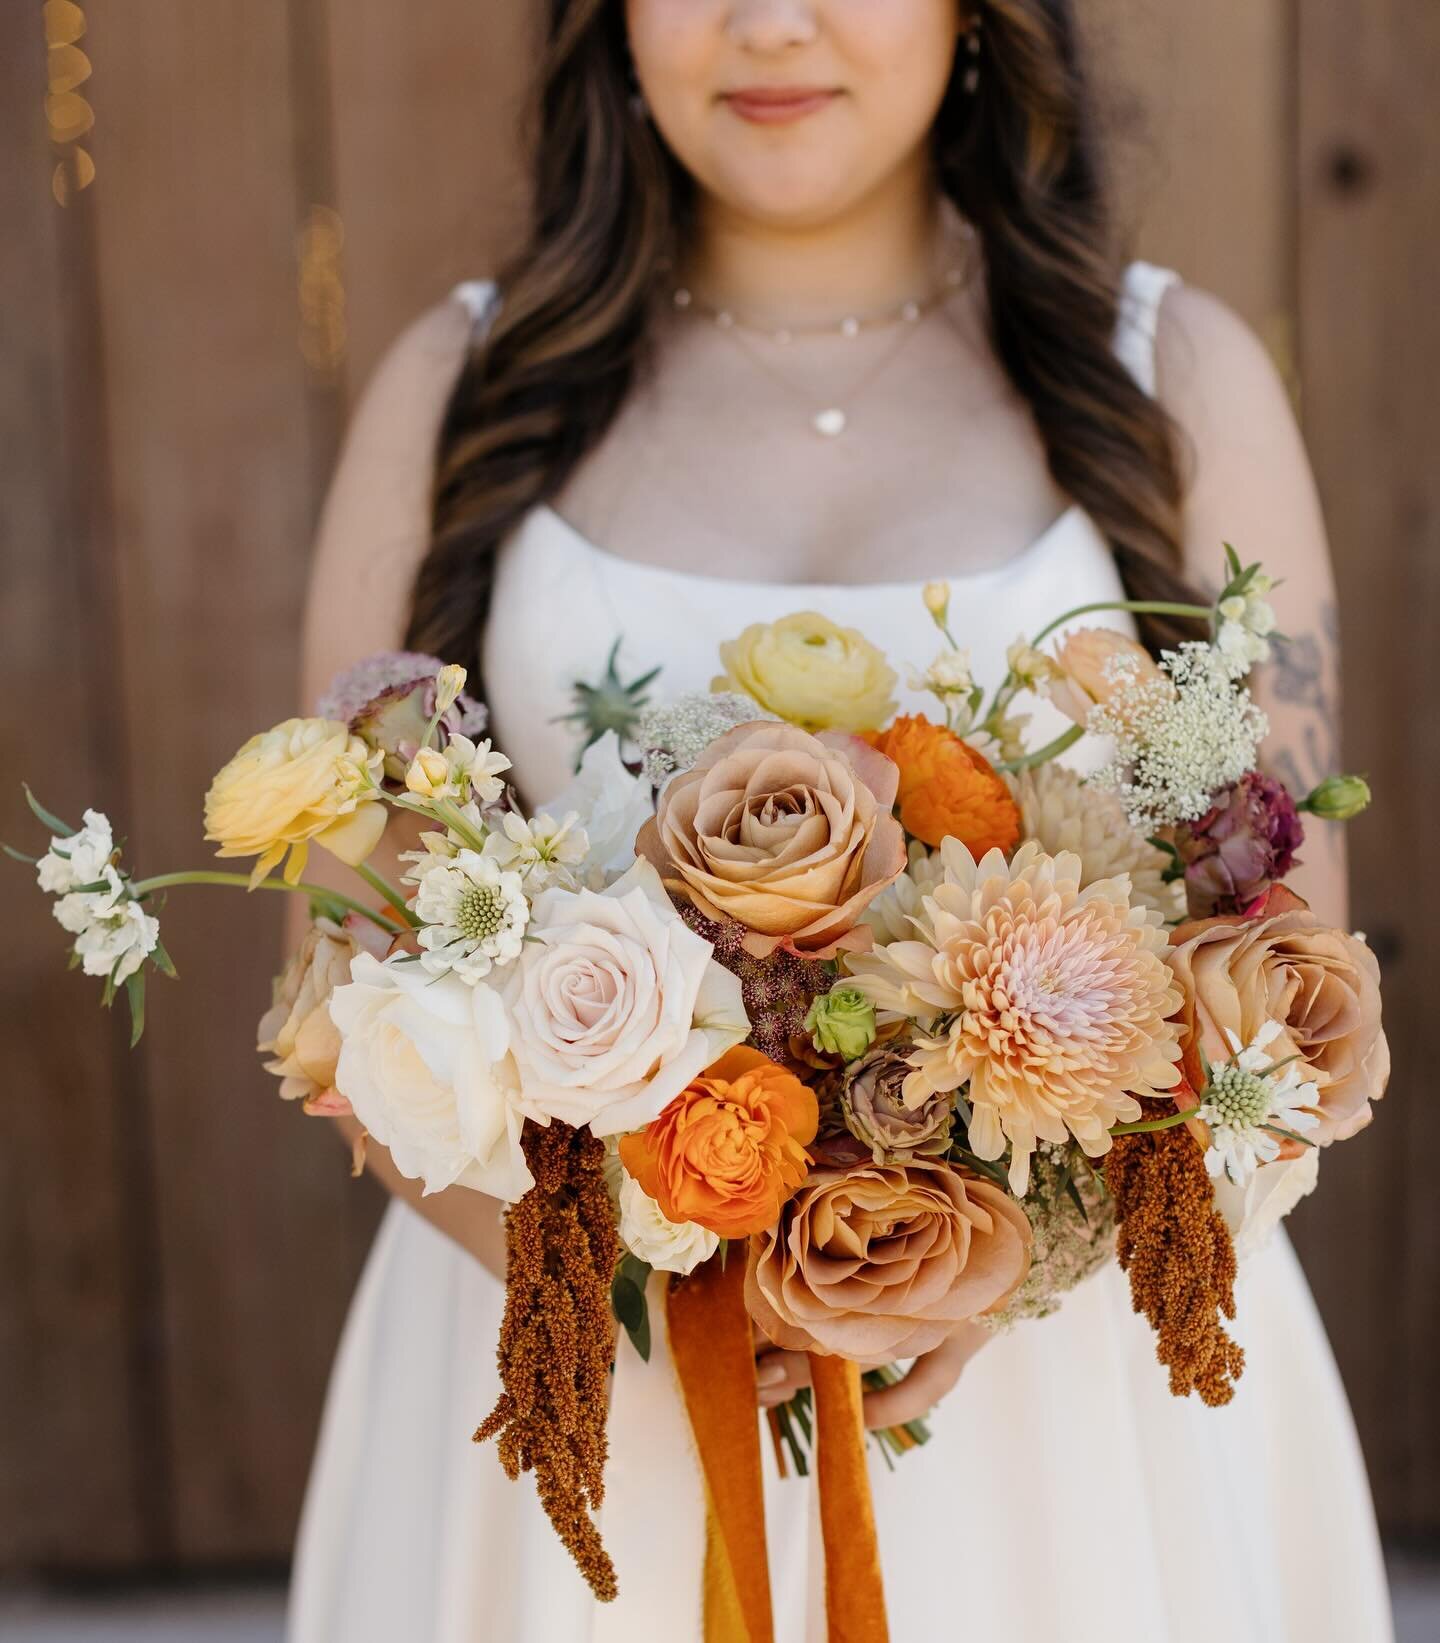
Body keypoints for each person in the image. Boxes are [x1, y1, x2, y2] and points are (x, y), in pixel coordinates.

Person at [287, 2, 1393, 1638]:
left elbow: (1285, 980)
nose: (769, 24)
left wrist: (976, 1259)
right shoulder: (462, 383)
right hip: (575, 1371)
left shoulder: (1170, 372)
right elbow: (337, 973)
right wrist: (682, 1287)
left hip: (1071, 1404)